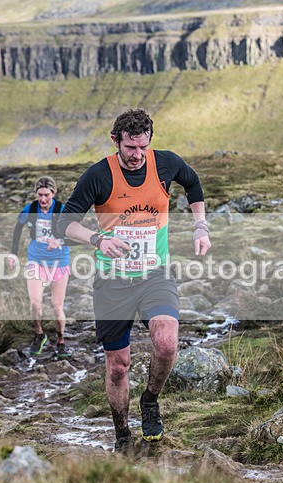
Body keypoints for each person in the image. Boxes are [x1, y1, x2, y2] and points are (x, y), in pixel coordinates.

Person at [55, 109, 210, 455]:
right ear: (116, 141)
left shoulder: (166, 164)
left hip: (156, 273)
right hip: (112, 281)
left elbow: (194, 184)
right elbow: (62, 224)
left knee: (167, 344)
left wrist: (201, 226)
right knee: (117, 368)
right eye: (130, 148)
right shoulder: (98, 176)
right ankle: (122, 431)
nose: (137, 155)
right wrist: (98, 240)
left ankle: (151, 400)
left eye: (143, 147)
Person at [8, 176, 72, 357]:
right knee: (35, 302)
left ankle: (61, 341)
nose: (43, 199)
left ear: (54, 193)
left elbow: (74, 234)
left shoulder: (61, 210)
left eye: (47, 195)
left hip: (59, 261)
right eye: (39, 195)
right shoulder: (31, 209)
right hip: (36, 259)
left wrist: (60, 240)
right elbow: (17, 229)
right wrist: (13, 253)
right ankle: (39, 334)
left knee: (56, 306)